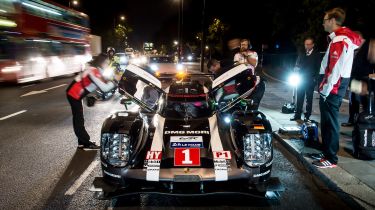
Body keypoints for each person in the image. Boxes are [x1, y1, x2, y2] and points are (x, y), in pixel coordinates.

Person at [311, 8, 361, 168]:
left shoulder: (340, 40)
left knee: (330, 123)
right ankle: (327, 152)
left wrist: (325, 90)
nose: (323, 22)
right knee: (327, 122)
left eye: (325, 19)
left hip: (332, 88)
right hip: (334, 86)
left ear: (333, 20)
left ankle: (331, 158)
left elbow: (335, 70)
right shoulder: (340, 38)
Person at [66, 53, 118, 149]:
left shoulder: (95, 69)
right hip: (74, 95)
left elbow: (99, 82)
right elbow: (104, 88)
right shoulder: (93, 71)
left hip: (76, 94)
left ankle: (82, 142)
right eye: (106, 63)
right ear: (101, 62)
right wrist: (114, 83)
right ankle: (85, 142)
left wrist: (112, 80)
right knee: (78, 119)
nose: (107, 65)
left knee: (79, 118)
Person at [290, 37, 321, 121]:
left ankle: (307, 116)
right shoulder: (302, 53)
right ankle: (297, 115)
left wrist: (315, 79)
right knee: (299, 97)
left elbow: (319, 68)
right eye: (305, 44)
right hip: (301, 79)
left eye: (308, 44)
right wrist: (296, 68)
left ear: (313, 45)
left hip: (310, 80)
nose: (306, 46)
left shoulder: (317, 54)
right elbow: (297, 64)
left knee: (309, 99)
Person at [341, 32, 367, 127]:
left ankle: (364, 121)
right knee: (354, 100)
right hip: (355, 77)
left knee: (363, 101)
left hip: (364, 78)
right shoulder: (355, 47)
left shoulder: (366, 46)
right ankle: (353, 120)